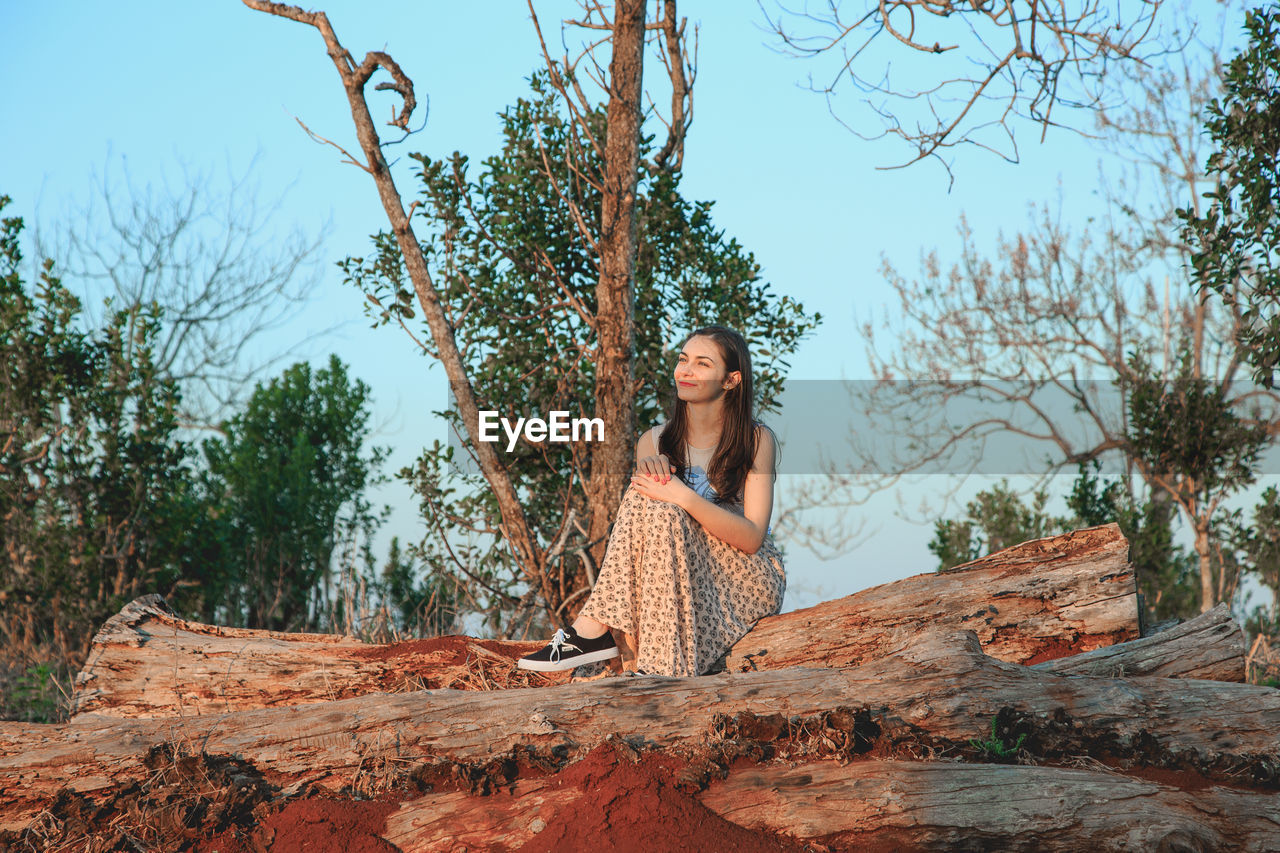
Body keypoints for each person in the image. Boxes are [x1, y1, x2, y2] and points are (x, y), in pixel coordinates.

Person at [517, 326, 785, 677]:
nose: (685, 371)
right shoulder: (654, 440)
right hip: (675, 574)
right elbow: (652, 534)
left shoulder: (756, 439)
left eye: (702, 364)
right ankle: (648, 663)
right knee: (650, 500)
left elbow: (752, 539)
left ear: (731, 380)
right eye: (682, 359)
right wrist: (664, 491)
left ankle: (591, 631)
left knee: (662, 500)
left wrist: (681, 494)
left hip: (742, 578)